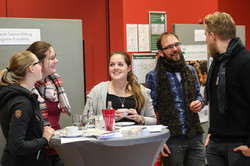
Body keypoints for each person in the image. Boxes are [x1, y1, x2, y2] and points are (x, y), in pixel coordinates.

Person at [145, 32, 205, 166]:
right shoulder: (153, 76)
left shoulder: (190, 70)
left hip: (195, 135)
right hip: (172, 139)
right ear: (160, 52)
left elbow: (199, 95)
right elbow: (150, 113)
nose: (175, 49)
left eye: (177, 44)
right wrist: (158, 142)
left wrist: (200, 102)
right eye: (169, 47)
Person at [204, 11, 250, 165]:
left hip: (240, 145)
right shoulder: (216, 63)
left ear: (212, 36)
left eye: (206, 36)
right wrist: (211, 132)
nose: (206, 40)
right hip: (216, 144)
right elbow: (217, 103)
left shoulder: (245, 61)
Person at [0, 51, 55, 166]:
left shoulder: (21, 97)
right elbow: (17, 146)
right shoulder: (22, 103)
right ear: (31, 69)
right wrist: (44, 139)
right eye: (38, 63)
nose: (41, 66)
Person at [27, 41, 71, 166]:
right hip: (37, 150)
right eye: (51, 58)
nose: (56, 61)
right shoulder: (28, 86)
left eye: (55, 56)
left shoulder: (55, 82)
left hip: (57, 147)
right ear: (39, 63)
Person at [83, 51, 157, 125]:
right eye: (112, 65)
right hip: (109, 136)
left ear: (129, 68)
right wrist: (108, 118)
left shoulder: (142, 91)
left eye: (120, 65)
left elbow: (153, 120)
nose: (115, 68)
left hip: (135, 136)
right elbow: (85, 119)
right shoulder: (97, 90)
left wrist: (140, 118)